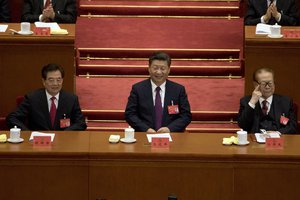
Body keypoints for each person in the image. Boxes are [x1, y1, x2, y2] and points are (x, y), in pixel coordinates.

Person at [125, 52, 192, 133]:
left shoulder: (178, 90)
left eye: (163, 68)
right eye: (155, 68)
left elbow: (186, 116)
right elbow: (130, 114)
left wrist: (169, 129)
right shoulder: (138, 89)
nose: (159, 72)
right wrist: (146, 129)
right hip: (144, 134)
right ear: (149, 69)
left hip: (172, 135)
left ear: (169, 70)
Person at [6, 64, 86, 131]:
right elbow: (12, 118)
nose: (55, 84)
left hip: (63, 142)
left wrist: (65, 134)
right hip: (38, 143)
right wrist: (28, 133)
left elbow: (81, 123)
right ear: (44, 82)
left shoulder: (71, 99)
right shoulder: (32, 98)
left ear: (62, 80)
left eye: (58, 80)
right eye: (51, 80)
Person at [238, 67, 297, 134]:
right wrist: (252, 103)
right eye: (263, 83)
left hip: (278, 141)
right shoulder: (246, 102)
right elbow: (243, 125)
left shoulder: (286, 102)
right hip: (254, 141)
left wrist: (278, 133)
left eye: (270, 83)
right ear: (255, 85)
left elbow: (293, 126)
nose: (267, 87)